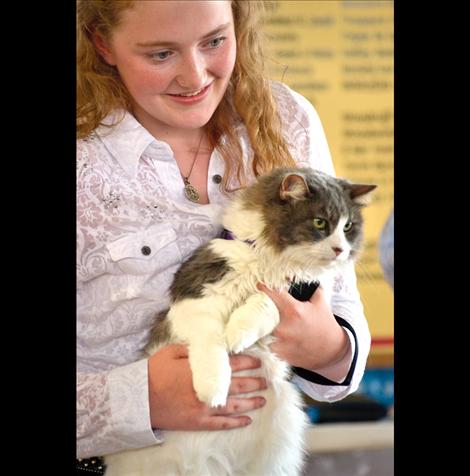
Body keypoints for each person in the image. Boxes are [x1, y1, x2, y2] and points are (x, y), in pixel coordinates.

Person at [77, 0, 371, 470]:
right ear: (101, 43)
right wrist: (140, 400)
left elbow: (341, 312)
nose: (195, 77)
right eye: (160, 54)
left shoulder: (287, 117)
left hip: (259, 456)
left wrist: (331, 348)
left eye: (214, 41)